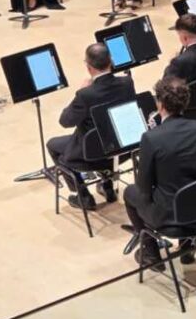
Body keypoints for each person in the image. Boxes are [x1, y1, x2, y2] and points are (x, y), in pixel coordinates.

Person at [123, 76, 196, 269]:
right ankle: (188, 246)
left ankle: (150, 252)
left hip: (172, 219)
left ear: (160, 104)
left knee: (130, 193)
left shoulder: (151, 138)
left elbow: (144, 188)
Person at [46, 43, 136, 210]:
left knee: (53, 145)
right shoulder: (127, 82)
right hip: (122, 150)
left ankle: (84, 196)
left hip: (92, 155)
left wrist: (79, 92)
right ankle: (107, 185)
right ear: (111, 61)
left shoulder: (86, 94)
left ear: (89, 67)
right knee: (103, 133)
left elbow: (65, 121)